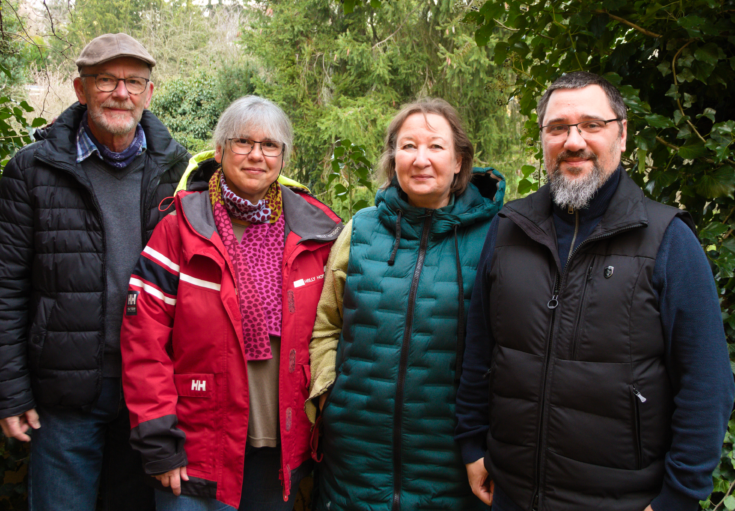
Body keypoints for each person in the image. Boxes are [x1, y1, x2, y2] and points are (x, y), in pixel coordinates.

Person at [455, 71, 735, 511]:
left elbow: (707, 383)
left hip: (623, 500)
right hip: (509, 493)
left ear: (622, 135)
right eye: (558, 128)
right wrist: (472, 444)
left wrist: (677, 499)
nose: (573, 141)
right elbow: (479, 350)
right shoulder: (509, 228)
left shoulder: (668, 240)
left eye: (591, 125)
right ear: (543, 138)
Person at [0, 33, 190, 510]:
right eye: (107, 80)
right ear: (80, 89)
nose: (122, 93)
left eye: (134, 82)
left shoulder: (179, 172)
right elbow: (2, 290)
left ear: (149, 93)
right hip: (65, 396)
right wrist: (8, 392)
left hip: (153, 394)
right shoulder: (33, 171)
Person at [120, 95, 343, 511]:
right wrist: (158, 443)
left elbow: (336, 332)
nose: (256, 155)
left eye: (270, 145)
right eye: (243, 142)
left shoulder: (318, 231)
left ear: (283, 157)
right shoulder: (180, 228)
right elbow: (143, 344)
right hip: (195, 447)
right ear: (220, 151)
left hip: (279, 449)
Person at [308, 98, 505, 510]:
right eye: (408, 146)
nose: (420, 159)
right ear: (393, 157)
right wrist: (331, 396)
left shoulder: (497, 237)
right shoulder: (360, 229)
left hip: (450, 461)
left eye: (435, 146)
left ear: (459, 162)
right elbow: (327, 323)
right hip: (355, 460)